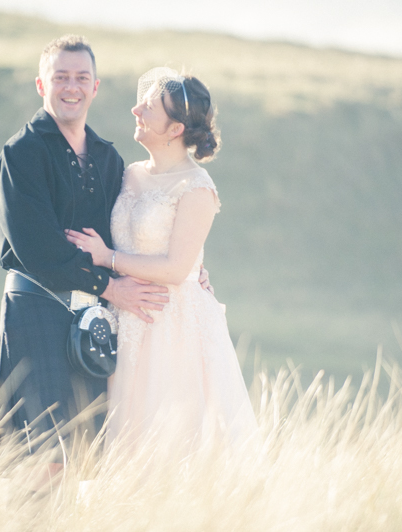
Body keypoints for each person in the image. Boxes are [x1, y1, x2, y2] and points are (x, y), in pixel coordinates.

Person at [0, 36, 172, 474]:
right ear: (41, 85)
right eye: (61, 77)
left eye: (81, 78)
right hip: (36, 312)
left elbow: (129, 236)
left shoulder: (109, 158)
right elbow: (39, 251)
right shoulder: (21, 154)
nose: (71, 87)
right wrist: (109, 285)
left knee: (89, 454)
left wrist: (185, 271)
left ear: (95, 87)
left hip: (95, 323)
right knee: (45, 454)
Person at [65, 68, 257, 454]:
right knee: (124, 435)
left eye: (149, 107)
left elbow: (175, 268)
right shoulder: (131, 174)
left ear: (174, 129)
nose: (135, 109)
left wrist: (108, 257)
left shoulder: (197, 187)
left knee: (167, 438)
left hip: (172, 324)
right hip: (126, 320)